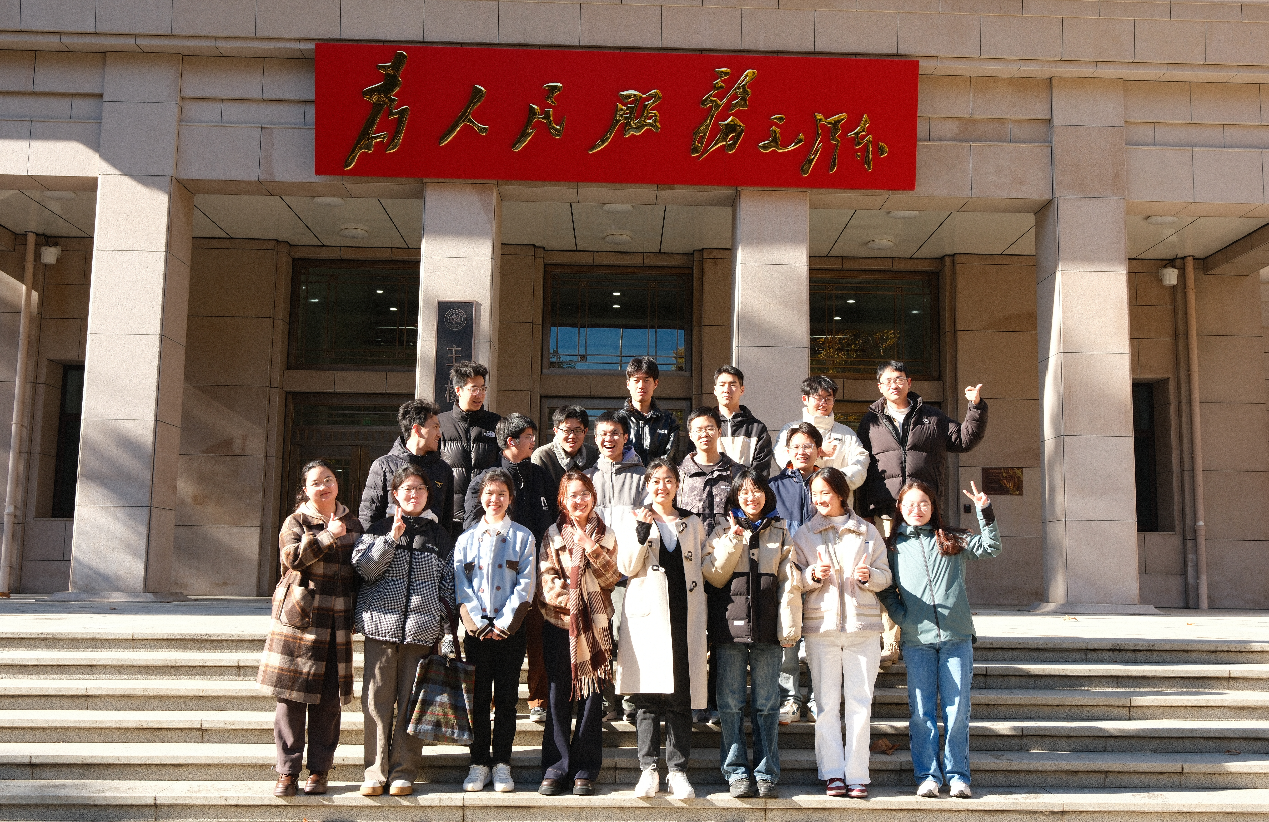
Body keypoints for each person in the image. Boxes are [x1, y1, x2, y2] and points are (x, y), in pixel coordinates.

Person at [857, 361, 988, 665]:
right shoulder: (870, 422)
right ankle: (891, 641)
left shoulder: (932, 417)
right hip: (886, 510)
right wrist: (864, 510)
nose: (894, 385)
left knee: (920, 573)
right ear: (880, 386)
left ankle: (921, 634)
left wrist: (975, 407)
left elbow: (964, 439)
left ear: (909, 382)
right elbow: (865, 468)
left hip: (922, 511)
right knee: (887, 574)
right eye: (888, 380)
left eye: (899, 379)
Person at [877, 479, 1001, 800]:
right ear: (900, 509)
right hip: (917, 640)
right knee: (921, 713)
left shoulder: (951, 538)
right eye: (909, 504)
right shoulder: (892, 547)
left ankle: (958, 776)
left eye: (923, 503)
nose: (917, 510)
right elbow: (886, 589)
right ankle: (928, 775)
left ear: (933, 507)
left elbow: (991, 547)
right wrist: (903, 617)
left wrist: (984, 510)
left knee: (957, 711)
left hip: (956, 637)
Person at [258, 459, 364, 797]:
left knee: (329, 702)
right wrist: (328, 536)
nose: (324, 487)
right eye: (316, 483)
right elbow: (292, 559)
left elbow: (361, 569)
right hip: (300, 620)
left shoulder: (353, 522)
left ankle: (319, 770)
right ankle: (287, 772)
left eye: (329, 480)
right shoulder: (296, 521)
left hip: (336, 621)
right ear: (305, 489)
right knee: (291, 700)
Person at [352, 465, 455, 797]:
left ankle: (403, 772)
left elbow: (449, 585)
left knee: (413, 704)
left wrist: (443, 625)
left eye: (420, 489)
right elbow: (365, 570)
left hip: (421, 631)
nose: (414, 494)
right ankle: (374, 771)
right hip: (381, 628)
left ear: (428, 495)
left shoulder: (439, 535)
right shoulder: (377, 529)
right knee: (375, 703)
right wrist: (391, 540)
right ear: (395, 493)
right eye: (408, 488)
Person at [791, 467, 891, 799]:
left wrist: (869, 576)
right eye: (815, 494)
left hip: (863, 628)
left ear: (840, 493)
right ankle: (833, 773)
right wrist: (811, 576)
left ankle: (857, 774)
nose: (819, 499)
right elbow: (793, 580)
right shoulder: (804, 534)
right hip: (821, 629)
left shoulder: (867, 531)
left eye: (825, 493)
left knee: (861, 704)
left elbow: (886, 576)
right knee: (826, 704)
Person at [701, 469, 799, 799]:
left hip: (767, 629)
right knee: (729, 705)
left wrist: (788, 627)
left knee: (767, 705)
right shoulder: (720, 530)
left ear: (766, 495)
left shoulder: (780, 530)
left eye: (756, 490)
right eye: (744, 491)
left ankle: (767, 772)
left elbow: (789, 584)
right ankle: (736, 772)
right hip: (730, 629)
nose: (750, 497)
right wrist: (733, 539)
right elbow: (713, 575)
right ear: (735, 496)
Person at [615, 458, 708, 800]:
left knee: (680, 697)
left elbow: (704, 563)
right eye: (655, 480)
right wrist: (641, 532)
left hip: (683, 617)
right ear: (647, 485)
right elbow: (626, 565)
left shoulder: (692, 522)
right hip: (648, 618)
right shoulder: (635, 519)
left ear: (677, 485)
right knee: (648, 698)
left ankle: (678, 770)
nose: (662, 486)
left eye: (668, 480)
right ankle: (649, 769)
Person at [536, 471, 622, 796]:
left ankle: (584, 769)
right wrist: (574, 602)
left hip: (596, 627)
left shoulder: (606, 534)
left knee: (592, 696)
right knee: (557, 696)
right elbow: (546, 580)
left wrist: (591, 548)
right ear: (563, 499)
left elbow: (612, 578)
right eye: (572, 495)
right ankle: (556, 767)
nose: (579, 500)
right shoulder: (552, 534)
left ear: (593, 497)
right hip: (560, 624)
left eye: (584, 493)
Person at [465, 413, 554, 724]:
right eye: (528, 436)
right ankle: (490, 701)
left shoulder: (540, 476)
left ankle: (538, 698)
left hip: (536, 572)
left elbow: (551, 522)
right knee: (496, 639)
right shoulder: (486, 479)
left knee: (537, 638)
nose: (534, 441)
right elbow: (471, 526)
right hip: (494, 577)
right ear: (511, 441)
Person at [452, 469, 537, 793]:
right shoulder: (466, 540)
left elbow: (526, 585)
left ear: (510, 498)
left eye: (502, 493)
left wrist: (503, 624)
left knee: (506, 699)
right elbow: (461, 586)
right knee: (477, 700)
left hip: (509, 633)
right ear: (480, 497)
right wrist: (476, 623)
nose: (495, 499)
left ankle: (502, 763)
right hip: (476, 633)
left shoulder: (523, 538)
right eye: (489, 493)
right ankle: (478, 763)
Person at [678, 406, 744, 725]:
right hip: (687, 564)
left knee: (721, 633)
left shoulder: (737, 472)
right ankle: (692, 700)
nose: (704, 434)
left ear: (719, 431)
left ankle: (718, 701)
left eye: (710, 428)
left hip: (723, 563)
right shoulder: (679, 473)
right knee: (691, 635)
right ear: (690, 434)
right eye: (698, 429)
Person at [584, 410, 647, 723]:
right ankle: (607, 701)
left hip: (627, 571)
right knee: (600, 635)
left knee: (627, 635)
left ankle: (631, 701)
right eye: (603, 434)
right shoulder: (588, 476)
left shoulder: (642, 475)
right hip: (595, 571)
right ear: (595, 439)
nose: (609, 439)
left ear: (625, 437)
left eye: (615, 433)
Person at [769, 422, 823, 724]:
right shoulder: (775, 486)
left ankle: (817, 698)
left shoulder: (827, 481)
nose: (802, 451)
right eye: (797, 446)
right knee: (787, 636)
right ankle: (790, 698)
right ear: (788, 451)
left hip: (822, 568)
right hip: (787, 570)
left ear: (818, 450)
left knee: (817, 636)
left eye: (808, 446)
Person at [359, 399, 454, 531]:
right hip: (391, 542)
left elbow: (446, 523)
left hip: (431, 544)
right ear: (417, 429)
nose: (439, 434)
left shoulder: (443, 470)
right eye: (435, 427)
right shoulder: (383, 466)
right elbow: (368, 518)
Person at [772, 376, 869, 502]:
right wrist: (819, 453)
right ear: (805, 399)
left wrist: (832, 481)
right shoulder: (790, 430)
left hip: (837, 506)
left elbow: (860, 465)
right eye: (818, 398)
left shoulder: (847, 434)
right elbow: (785, 462)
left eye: (828, 398)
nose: (823, 403)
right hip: (798, 502)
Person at [438, 361, 502, 537]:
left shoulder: (496, 423)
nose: (480, 394)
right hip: (449, 521)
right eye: (474, 389)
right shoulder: (440, 423)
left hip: (487, 518)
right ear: (458, 390)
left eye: (483, 388)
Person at [618, 356, 680, 465]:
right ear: (628, 384)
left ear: (655, 383)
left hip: (659, 475)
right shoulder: (618, 420)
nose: (641, 386)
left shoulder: (669, 421)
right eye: (636, 380)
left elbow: (670, 460)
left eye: (646, 380)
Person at [713, 366, 773, 476]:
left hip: (746, 487)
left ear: (742, 390)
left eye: (732, 385)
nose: (727, 390)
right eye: (722, 385)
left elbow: (761, 471)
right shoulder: (705, 426)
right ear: (715, 390)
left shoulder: (757, 429)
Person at [532, 405, 599, 504]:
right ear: (556, 431)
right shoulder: (542, 456)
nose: (572, 436)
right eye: (566, 431)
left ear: (585, 431)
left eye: (577, 430)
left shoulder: (592, 453)